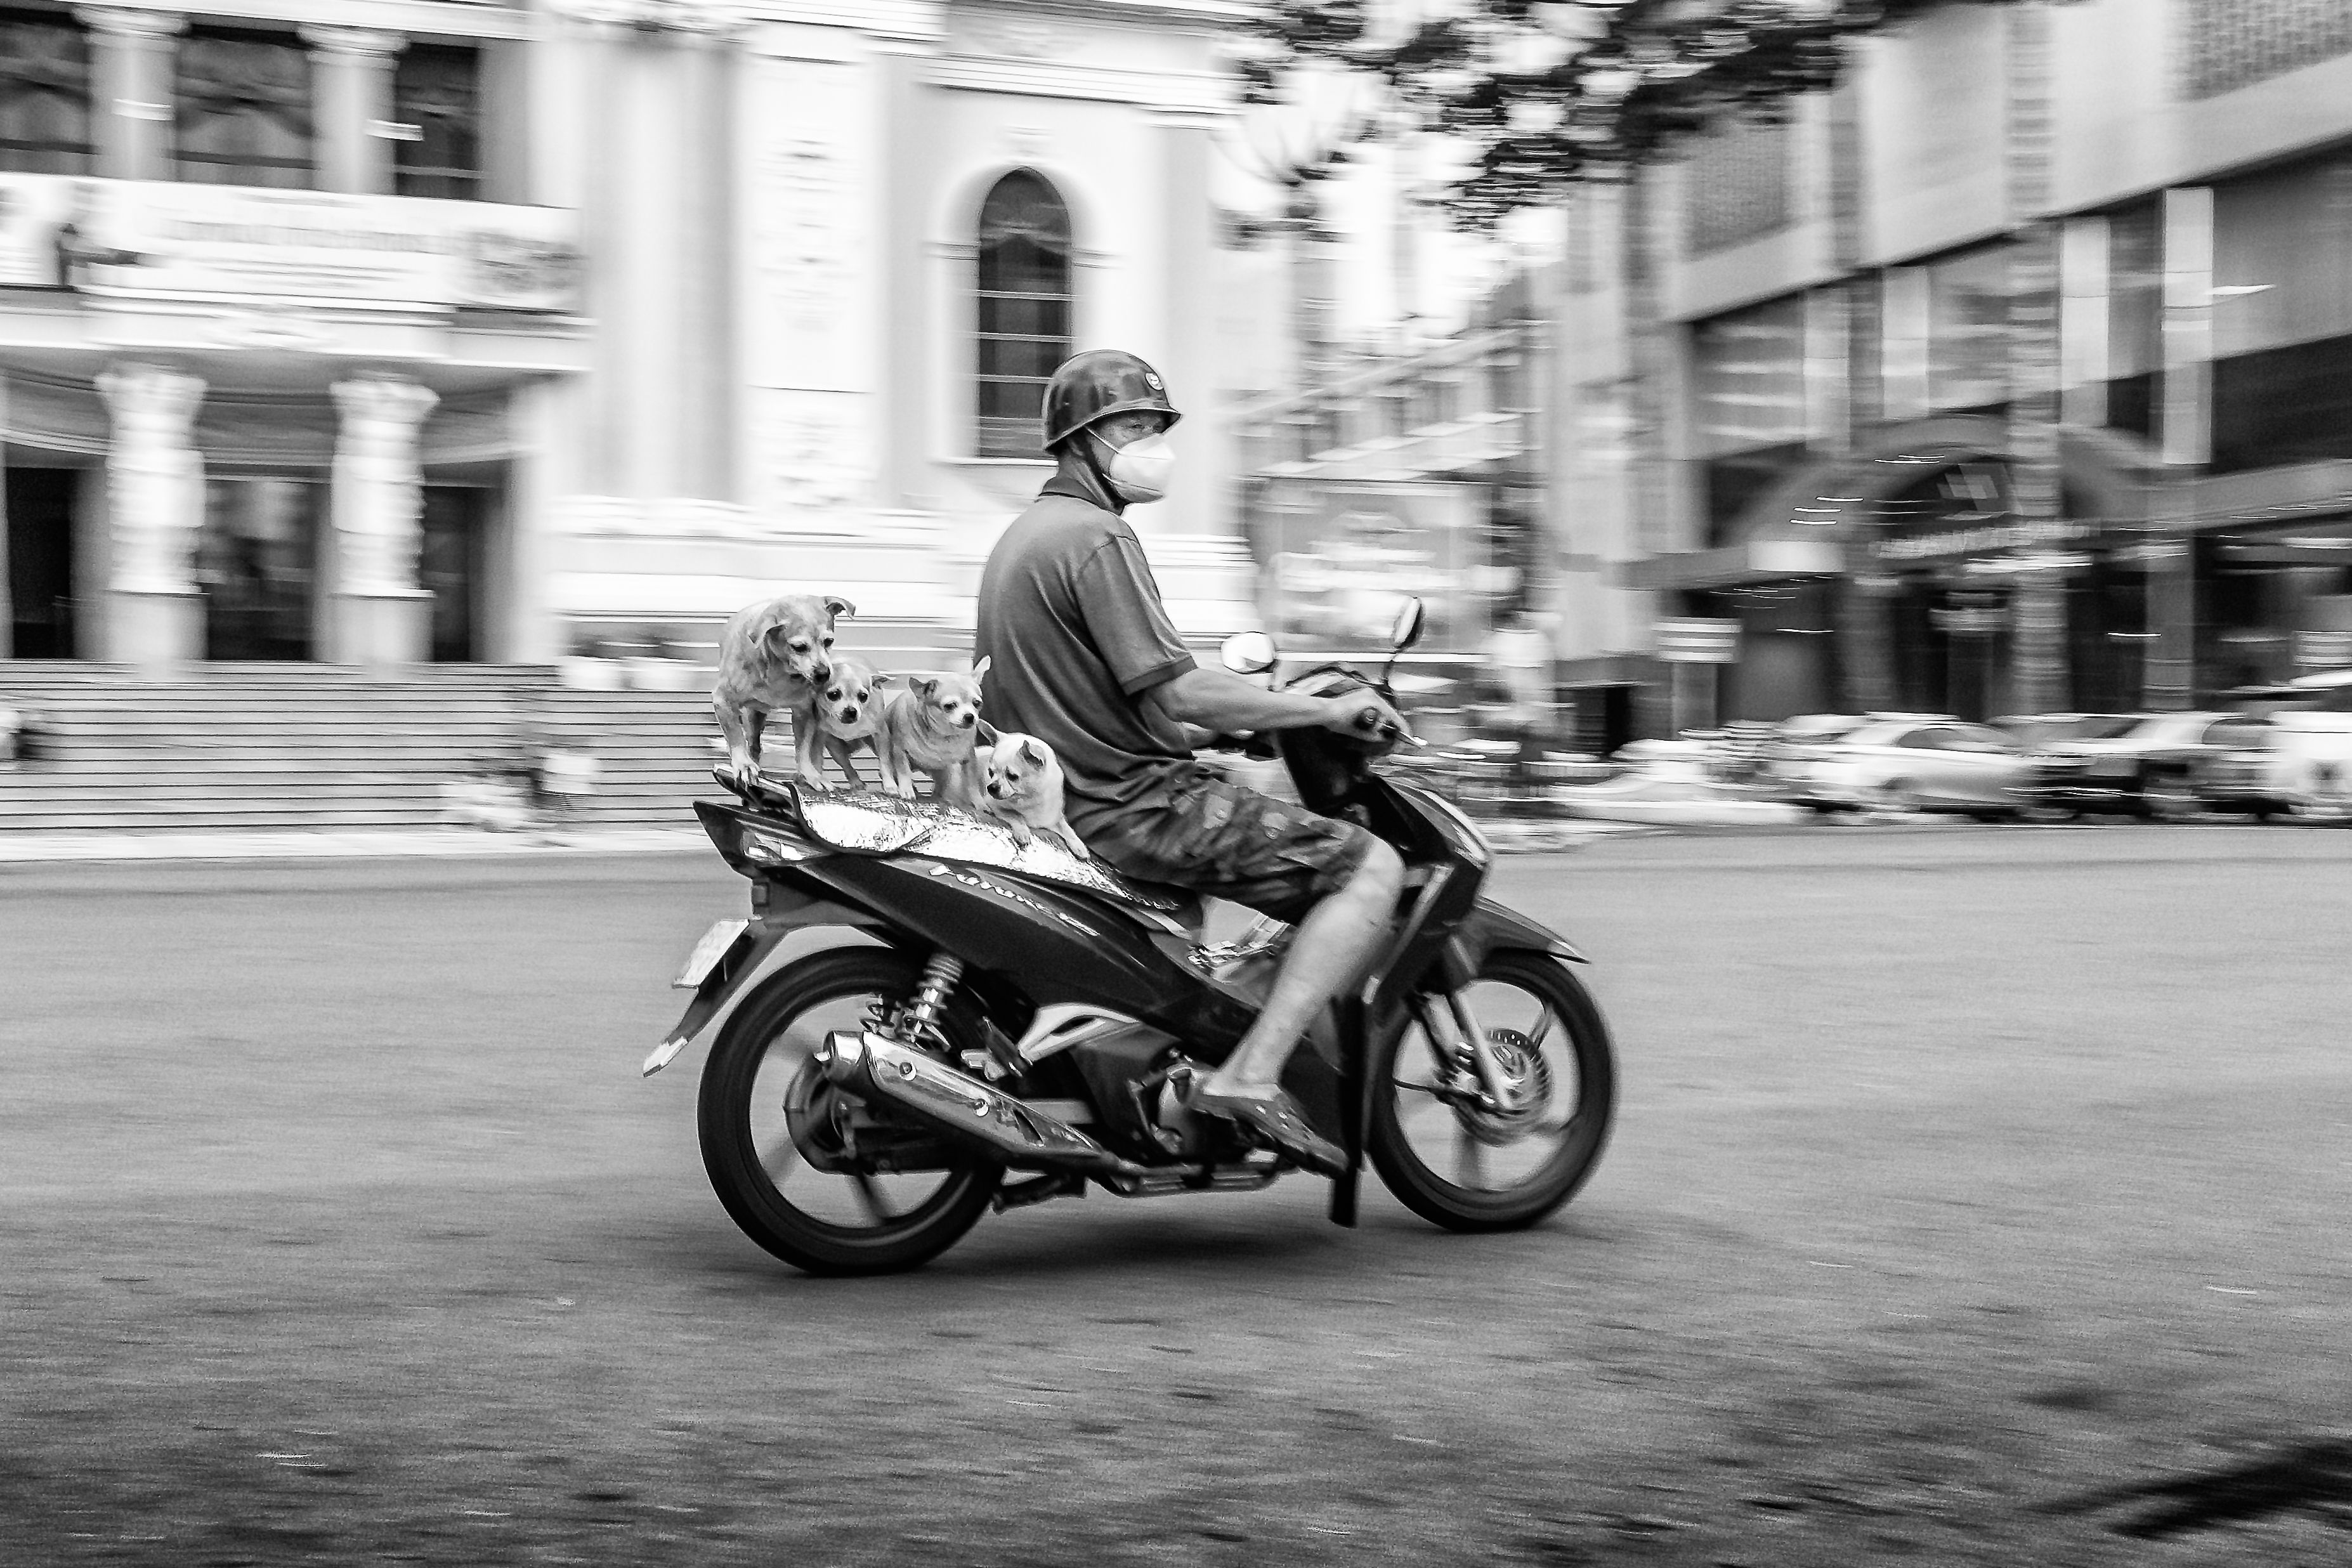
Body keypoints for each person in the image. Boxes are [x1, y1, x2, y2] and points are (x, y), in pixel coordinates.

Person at [974, 350, 1408, 1176]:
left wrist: (1220, 732)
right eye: (1135, 427)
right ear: (1085, 441)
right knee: (1371, 869)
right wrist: (1324, 711)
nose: (1154, 444)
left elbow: (1106, 697)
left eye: (1156, 427)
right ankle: (1250, 1073)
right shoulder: (1099, 539)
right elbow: (1181, 693)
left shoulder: (1022, 539)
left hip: (1064, 801)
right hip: (1133, 807)